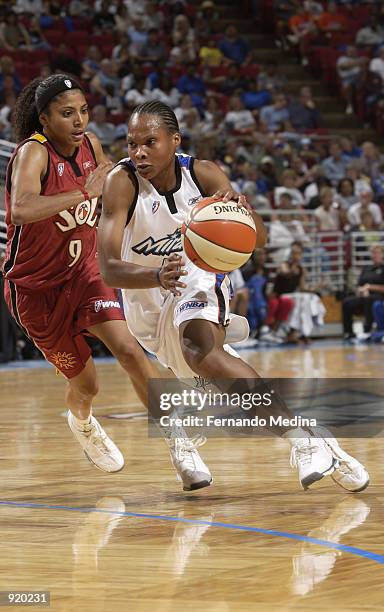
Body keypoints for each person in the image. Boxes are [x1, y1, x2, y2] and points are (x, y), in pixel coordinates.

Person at [98, 100, 369, 493]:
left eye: (150, 142)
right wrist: (155, 275)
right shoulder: (121, 183)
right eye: (131, 143)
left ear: (175, 141)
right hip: (147, 300)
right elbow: (108, 268)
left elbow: (257, 238)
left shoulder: (203, 173)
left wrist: (242, 211)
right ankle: (318, 440)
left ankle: (302, 440)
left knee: (199, 350)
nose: (139, 152)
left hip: (198, 277)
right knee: (213, 375)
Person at [1, 75, 202, 490]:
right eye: (66, 113)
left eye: (83, 111)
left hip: (86, 273)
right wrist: (80, 192)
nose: (78, 121)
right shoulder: (32, 154)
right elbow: (20, 209)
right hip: (37, 289)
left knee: (129, 350)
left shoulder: (91, 145)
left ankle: (179, 444)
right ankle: (83, 422)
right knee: (87, 384)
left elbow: (114, 179)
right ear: (44, 118)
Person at [342, 245, 384, 340]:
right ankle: (348, 332)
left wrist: (370, 287)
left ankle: (367, 331)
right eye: (373, 253)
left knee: (369, 299)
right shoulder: (366, 269)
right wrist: (362, 290)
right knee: (347, 302)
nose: (375, 255)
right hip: (364, 295)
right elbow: (359, 286)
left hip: (380, 297)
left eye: (378, 253)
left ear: (383, 255)